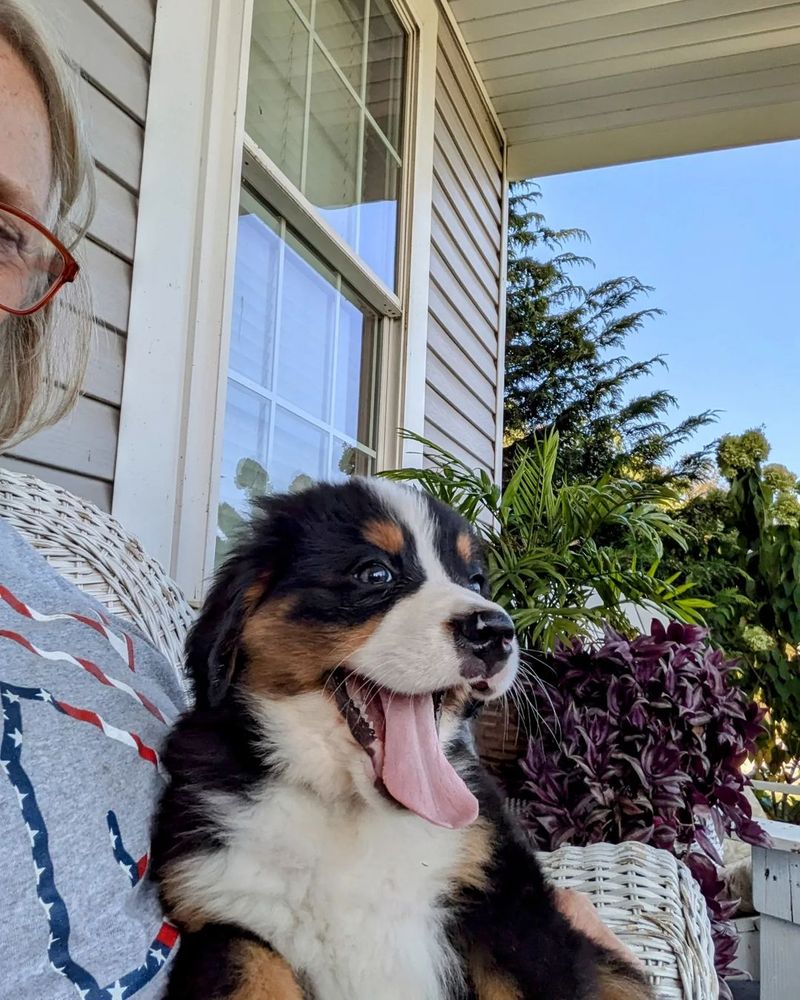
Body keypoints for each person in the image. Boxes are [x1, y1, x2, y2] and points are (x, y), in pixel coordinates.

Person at [0, 2, 638, 996]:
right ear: (243, 615)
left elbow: (530, 924)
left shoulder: (88, 626)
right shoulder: (213, 809)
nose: (463, 605)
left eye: (3, 229)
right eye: (378, 573)